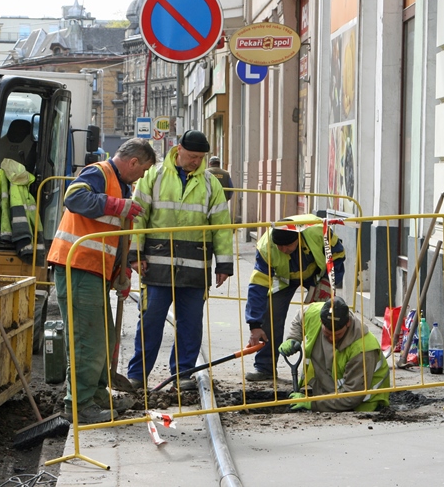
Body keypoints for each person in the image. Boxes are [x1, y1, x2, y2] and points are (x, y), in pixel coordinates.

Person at [47, 138, 156, 424]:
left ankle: (95, 395)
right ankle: (80, 405)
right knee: (88, 341)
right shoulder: (99, 173)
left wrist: (121, 272)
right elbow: (74, 198)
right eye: (143, 169)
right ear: (133, 162)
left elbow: (113, 236)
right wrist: (117, 205)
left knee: (103, 337)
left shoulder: (122, 185)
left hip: (94, 270)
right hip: (77, 265)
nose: (143, 176)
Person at [126, 130, 234, 391]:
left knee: (190, 324)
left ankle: (182, 374)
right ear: (179, 149)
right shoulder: (154, 176)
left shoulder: (211, 184)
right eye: (192, 156)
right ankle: (137, 375)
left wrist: (225, 264)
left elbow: (221, 225)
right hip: (157, 265)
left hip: (195, 269)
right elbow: (138, 217)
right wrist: (135, 254)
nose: (196, 161)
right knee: (150, 321)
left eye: (200, 158)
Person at [245, 214, 346, 380]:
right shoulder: (266, 247)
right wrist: (254, 324)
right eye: (280, 246)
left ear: (298, 236)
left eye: (288, 246)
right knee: (270, 314)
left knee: (325, 317)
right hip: (283, 279)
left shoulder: (319, 231)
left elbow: (338, 255)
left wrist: (329, 282)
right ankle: (265, 367)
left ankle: (326, 368)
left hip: (315, 275)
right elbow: (258, 285)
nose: (284, 250)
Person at [278, 296, 390, 411]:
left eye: (337, 335)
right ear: (321, 321)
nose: (331, 339)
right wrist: (293, 338)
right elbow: (300, 317)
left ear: (348, 323)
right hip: (329, 392)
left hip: (363, 404)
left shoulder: (363, 349)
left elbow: (352, 396)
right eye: (327, 334)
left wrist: (313, 403)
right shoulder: (315, 314)